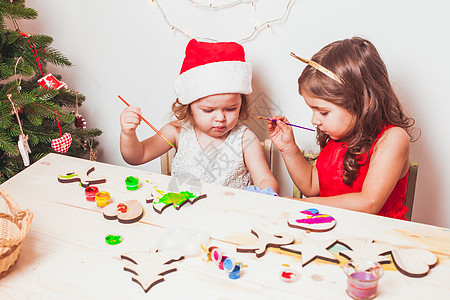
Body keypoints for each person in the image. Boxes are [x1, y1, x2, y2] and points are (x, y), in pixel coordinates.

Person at [268, 37, 415, 219]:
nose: (314, 121)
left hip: (377, 238)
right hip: (334, 231)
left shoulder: (392, 139)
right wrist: (288, 148)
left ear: (362, 103)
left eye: (323, 112)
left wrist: (301, 204)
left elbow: (369, 203)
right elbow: (312, 186)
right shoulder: (338, 138)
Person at [120, 39, 279, 193]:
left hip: (229, 216)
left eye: (230, 109)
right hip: (183, 213)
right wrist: (128, 134)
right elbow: (137, 156)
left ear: (241, 104)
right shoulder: (176, 131)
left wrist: (267, 191)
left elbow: (265, 180)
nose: (220, 118)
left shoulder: (245, 139)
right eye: (209, 110)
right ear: (189, 107)